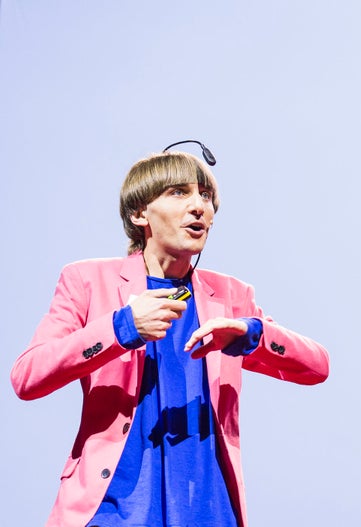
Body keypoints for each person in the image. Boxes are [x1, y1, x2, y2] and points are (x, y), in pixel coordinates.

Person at [10, 148, 330, 527]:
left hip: (210, 512)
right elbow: (27, 376)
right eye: (179, 192)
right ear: (139, 213)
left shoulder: (230, 295)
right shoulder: (87, 281)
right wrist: (122, 328)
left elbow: (317, 366)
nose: (199, 206)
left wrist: (252, 335)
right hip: (113, 512)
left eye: (206, 196)